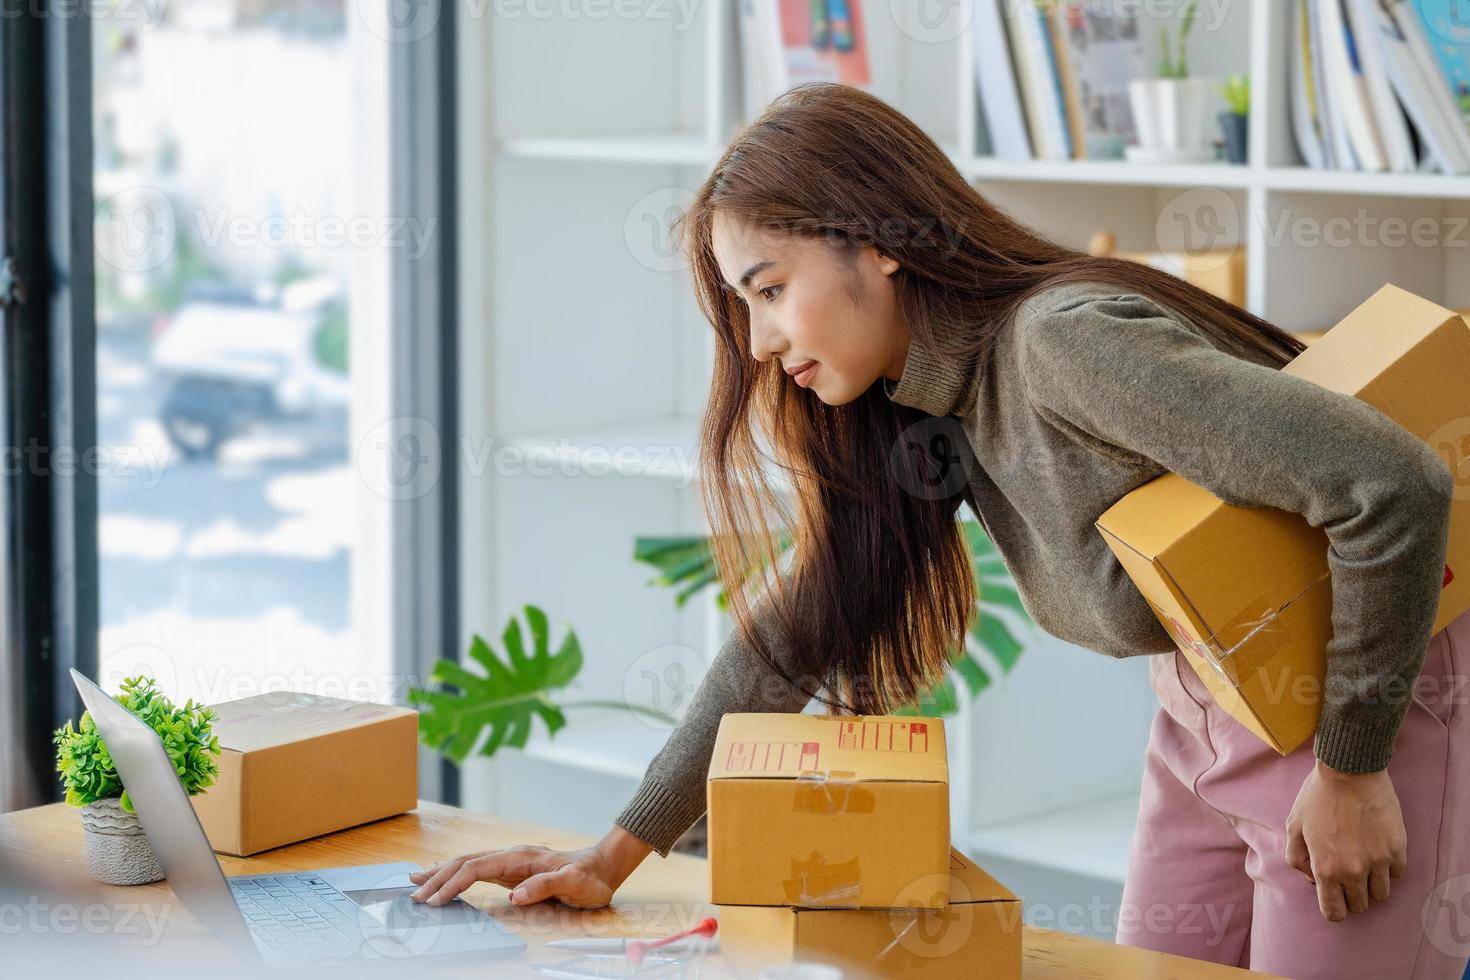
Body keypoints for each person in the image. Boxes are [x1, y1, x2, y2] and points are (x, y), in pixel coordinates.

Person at [408, 82, 1470, 978]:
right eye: (743, 308)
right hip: (1202, 702)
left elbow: (1392, 483)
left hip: (1359, 688)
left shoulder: (1061, 346)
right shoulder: (927, 409)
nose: (764, 340)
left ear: (878, 245)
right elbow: (786, 640)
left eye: (770, 289)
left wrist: (1352, 765)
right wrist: (608, 855)